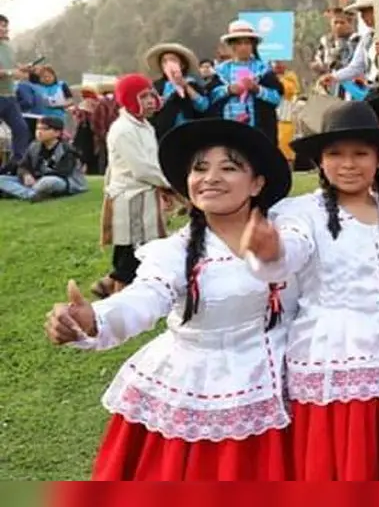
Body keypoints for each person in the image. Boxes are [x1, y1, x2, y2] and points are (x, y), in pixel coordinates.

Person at [43, 118, 297, 480]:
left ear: (257, 183)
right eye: (200, 168)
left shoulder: (292, 232)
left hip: (284, 384)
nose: (211, 177)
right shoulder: (174, 253)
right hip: (202, 385)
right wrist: (94, 319)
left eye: (228, 167)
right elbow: (145, 297)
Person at [241, 100, 379, 481]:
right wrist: (272, 251)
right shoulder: (301, 213)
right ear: (321, 161)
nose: (349, 164)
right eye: (336, 154)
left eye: (360, 154)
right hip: (335, 365)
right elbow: (289, 252)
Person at [93, 74, 173, 299]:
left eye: (151, 95)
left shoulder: (145, 126)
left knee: (143, 245)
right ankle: (119, 294)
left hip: (145, 194)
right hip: (130, 196)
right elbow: (142, 169)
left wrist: (163, 189)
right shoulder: (123, 130)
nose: (149, 101)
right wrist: (170, 184)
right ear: (128, 100)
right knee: (131, 248)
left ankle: (108, 284)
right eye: (143, 96)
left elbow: (152, 162)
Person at [210, 21, 284, 144]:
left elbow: (276, 98)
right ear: (232, 46)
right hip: (227, 131)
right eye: (239, 43)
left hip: (258, 132)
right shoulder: (221, 71)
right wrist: (228, 90)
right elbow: (210, 98)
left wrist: (257, 89)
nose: (243, 47)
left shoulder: (264, 70)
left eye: (247, 43)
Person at [0, 115, 87, 201]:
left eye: (44, 129)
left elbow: (62, 173)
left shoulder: (67, 149)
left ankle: (17, 192)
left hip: (62, 181)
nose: (39, 132)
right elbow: (23, 166)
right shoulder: (34, 146)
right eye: (38, 128)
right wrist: (26, 175)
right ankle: (32, 195)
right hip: (35, 181)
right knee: (1, 179)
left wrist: (37, 179)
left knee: (47, 182)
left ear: (57, 133)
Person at [146, 43, 212, 138]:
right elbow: (150, 112)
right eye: (164, 61)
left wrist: (185, 86)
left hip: (189, 132)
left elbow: (203, 106)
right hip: (165, 134)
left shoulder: (192, 83)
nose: (169, 64)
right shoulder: (157, 86)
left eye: (172, 60)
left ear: (182, 65)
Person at [0, 14, 31, 170]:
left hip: (10, 97)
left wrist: (22, 68)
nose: (4, 29)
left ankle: (17, 165)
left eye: (5, 26)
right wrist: (12, 73)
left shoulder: (8, 47)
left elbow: (12, 66)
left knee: (21, 129)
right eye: (1, 26)